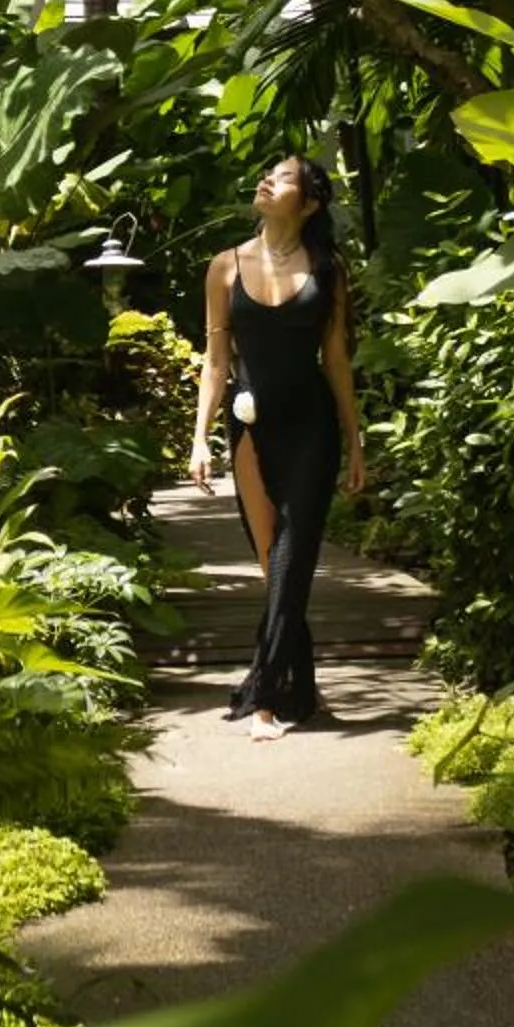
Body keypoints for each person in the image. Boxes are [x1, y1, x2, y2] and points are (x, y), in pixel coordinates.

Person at [188, 152, 366, 739]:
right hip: (250, 424)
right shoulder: (224, 266)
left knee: (295, 555)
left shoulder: (329, 269)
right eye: (267, 173)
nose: (267, 180)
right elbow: (216, 362)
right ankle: (302, 687)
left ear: (309, 203)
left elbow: (336, 360)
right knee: (274, 565)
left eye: (284, 177)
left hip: (311, 424)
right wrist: (199, 438)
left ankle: (264, 699)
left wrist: (355, 441)